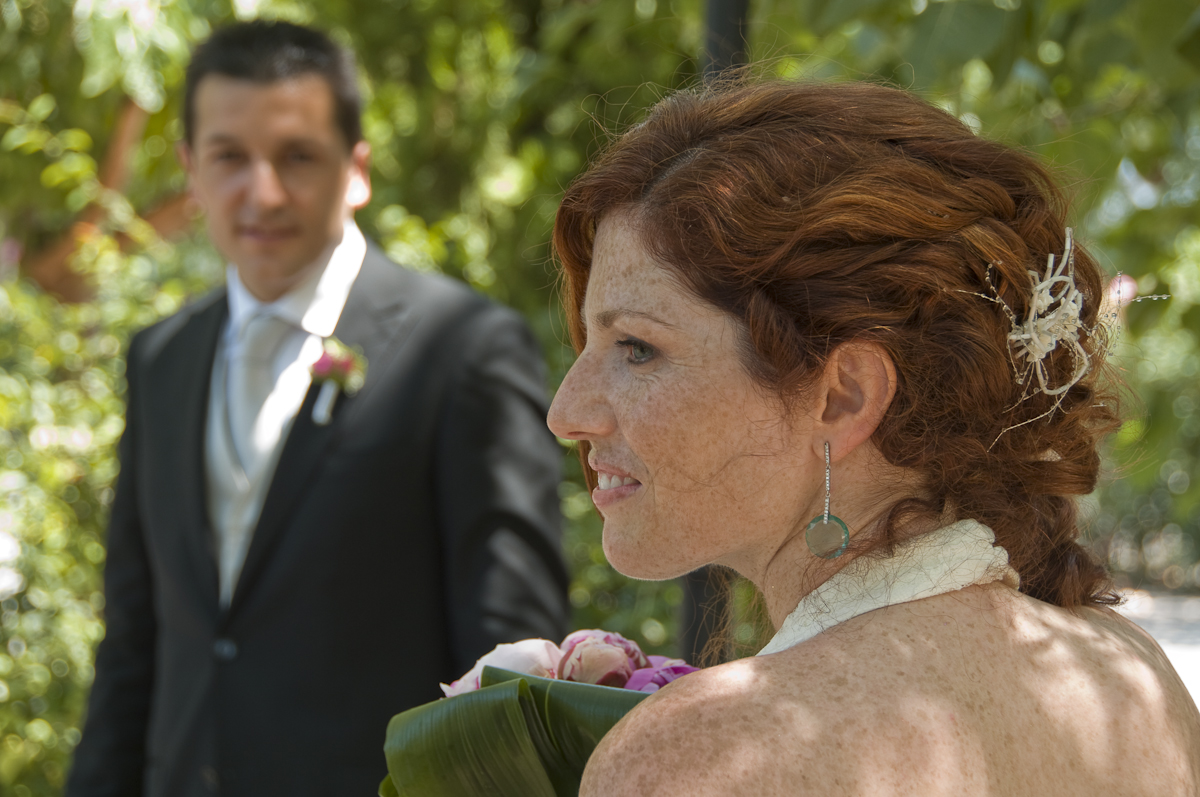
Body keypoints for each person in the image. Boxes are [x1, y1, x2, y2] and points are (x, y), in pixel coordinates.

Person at [547, 79, 1200, 795]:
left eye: (637, 348)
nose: (566, 412)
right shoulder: (1133, 675)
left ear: (844, 396)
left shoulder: (714, 752)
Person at [67, 20, 570, 797]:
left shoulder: (464, 349)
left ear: (356, 170)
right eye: (230, 157)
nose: (262, 192)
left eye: (297, 156)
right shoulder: (161, 357)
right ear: (191, 170)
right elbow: (134, 640)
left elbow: (510, 659)